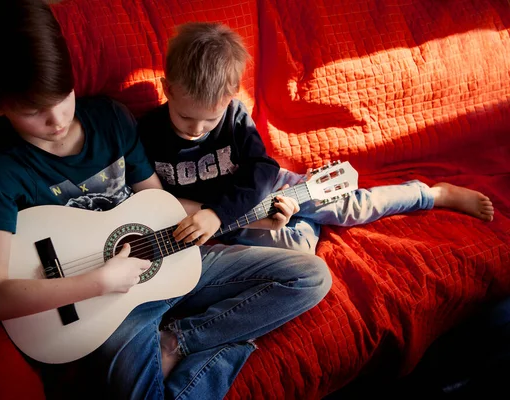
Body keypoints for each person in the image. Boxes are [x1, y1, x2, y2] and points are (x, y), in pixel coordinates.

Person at [0, 1, 332, 399]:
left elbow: (157, 204)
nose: (58, 120)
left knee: (311, 277)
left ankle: (178, 341)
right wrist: (97, 282)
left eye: (63, 96)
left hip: (170, 264)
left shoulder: (110, 120)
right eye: (33, 111)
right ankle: (223, 349)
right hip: (107, 314)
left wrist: (244, 218)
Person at [138, 22, 496, 254]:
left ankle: (429, 194)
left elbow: (261, 169)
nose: (196, 129)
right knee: (301, 247)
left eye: (209, 120)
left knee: (352, 207)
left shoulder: (234, 117)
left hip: (263, 193)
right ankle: (301, 223)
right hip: (231, 222)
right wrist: (217, 217)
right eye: (185, 115)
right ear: (167, 89)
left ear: (231, 96)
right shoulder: (149, 131)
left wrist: (218, 213)